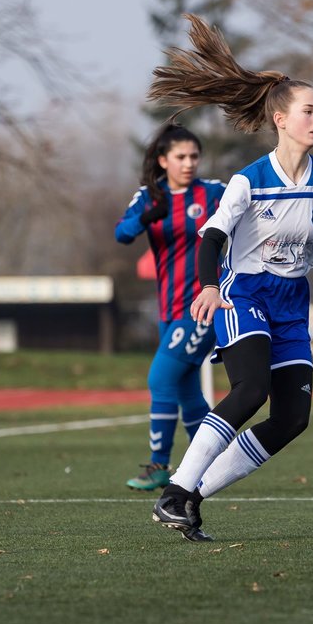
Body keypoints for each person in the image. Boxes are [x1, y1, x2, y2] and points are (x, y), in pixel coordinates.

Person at [145, 14, 313, 541]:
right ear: (280, 119)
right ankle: (175, 491)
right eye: (309, 110)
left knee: (292, 419)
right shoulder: (249, 180)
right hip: (245, 292)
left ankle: (186, 496)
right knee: (251, 388)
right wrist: (210, 286)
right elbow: (211, 237)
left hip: (291, 302)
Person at [114, 124, 225, 491]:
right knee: (187, 392)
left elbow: (250, 211)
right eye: (181, 156)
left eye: (194, 156)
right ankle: (211, 463)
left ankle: (160, 466)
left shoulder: (212, 193)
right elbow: (123, 234)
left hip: (203, 308)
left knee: (160, 380)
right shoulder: (149, 197)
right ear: (163, 160)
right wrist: (148, 215)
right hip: (168, 311)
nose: (190, 163)